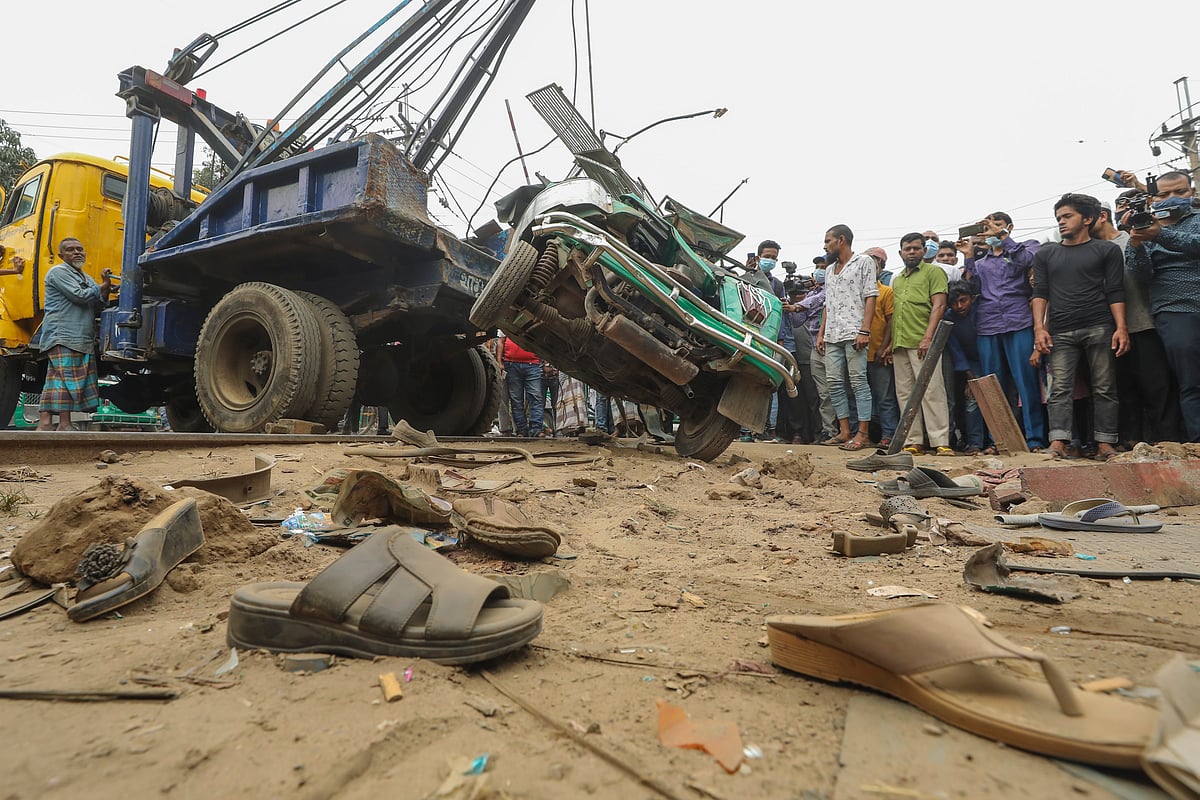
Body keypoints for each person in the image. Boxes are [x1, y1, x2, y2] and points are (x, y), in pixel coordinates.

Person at [1032, 194, 1128, 460]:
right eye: (1058, 218)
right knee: (1060, 388)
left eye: (1067, 216)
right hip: (1060, 330)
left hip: (1099, 325)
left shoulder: (1106, 250)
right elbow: (1040, 293)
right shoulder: (1046, 253)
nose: (1061, 222)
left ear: (1087, 219)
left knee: (1104, 387)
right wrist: (1039, 329)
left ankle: (1105, 443)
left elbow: (1115, 290)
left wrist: (1121, 327)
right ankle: (1058, 442)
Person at [1092, 199, 1184, 445]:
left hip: (1143, 324)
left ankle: (1169, 442)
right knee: (1123, 391)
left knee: (1158, 387)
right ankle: (1131, 444)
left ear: (1101, 216)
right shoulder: (1087, 250)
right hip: (1106, 331)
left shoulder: (1131, 240)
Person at [960, 211, 1046, 450]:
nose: (991, 229)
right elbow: (972, 288)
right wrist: (968, 256)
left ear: (1009, 226)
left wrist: (1003, 237)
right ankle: (998, 441)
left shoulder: (1027, 246)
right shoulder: (981, 263)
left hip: (1019, 321)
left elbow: (1026, 262)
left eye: (997, 225)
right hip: (988, 326)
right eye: (987, 226)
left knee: (1026, 382)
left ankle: (1035, 439)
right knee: (992, 386)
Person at [1124, 171, 1200, 441]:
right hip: (1174, 311)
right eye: (1164, 194)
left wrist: (1160, 235)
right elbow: (1140, 275)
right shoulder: (1143, 228)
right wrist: (1136, 242)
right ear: (1152, 199)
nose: (1173, 198)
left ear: (1192, 192)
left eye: (1180, 192)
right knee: (1191, 382)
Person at [37, 238, 112, 431]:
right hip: (64, 334)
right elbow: (80, 295)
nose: (77, 252)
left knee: (57, 379)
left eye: (79, 249)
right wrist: (102, 286)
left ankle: (46, 423)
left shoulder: (86, 277)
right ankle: (63, 424)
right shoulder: (58, 272)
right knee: (66, 380)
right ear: (61, 255)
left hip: (79, 336)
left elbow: (97, 305)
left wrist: (105, 289)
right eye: (70, 250)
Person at [889, 232, 951, 455]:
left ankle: (940, 441)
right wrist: (889, 343)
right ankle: (913, 441)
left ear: (924, 250)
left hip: (923, 341)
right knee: (904, 394)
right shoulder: (897, 280)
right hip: (900, 342)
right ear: (901, 253)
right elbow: (894, 314)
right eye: (908, 249)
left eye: (916, 248)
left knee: (932, 391)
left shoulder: (934, 272)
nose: (912, 252)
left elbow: (939, 306)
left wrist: (928, 337)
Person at [816, 224, 877, 450]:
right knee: (833, 383)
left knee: (858, 382)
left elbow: (871, 296)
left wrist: (865, 330)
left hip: (854, 332)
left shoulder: (864, 262)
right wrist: (821, 333)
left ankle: (863, 434)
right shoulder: (830, 270)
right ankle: (844, 431)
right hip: (832, 333)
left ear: (841, 240)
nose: (825, 246)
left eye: (828, 241)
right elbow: (828, 304)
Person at [944, 281, 988, 454]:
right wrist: (971, 378)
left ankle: (994, 441)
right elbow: (956, 351)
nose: (959, 306)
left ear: (972, 298)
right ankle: (974, 443)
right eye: (954, 303)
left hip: (990, 358)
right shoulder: (949, 317)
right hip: (969, 365)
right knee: (971, 400)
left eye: (963, 300)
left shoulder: (982, 309)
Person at [863, 247, 898, 448]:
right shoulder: (854, 292)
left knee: (885, 398)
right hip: (857, 354)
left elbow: (891, 320)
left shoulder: (886, 292)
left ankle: (888, 435)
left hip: (879, 354)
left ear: (880, 268)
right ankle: (861, 435)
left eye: (874, 264)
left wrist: (884, 347)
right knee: (859, 398)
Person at [501, 334, 544, 437]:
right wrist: (499, 362)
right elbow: (500, 341)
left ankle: (536, 429)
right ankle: (521, 430)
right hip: (511, 364)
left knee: (536, 397)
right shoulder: (507, 325)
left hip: (532, 364)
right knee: (516, 400)